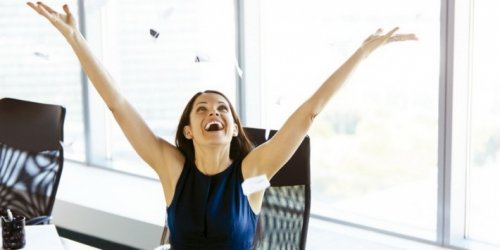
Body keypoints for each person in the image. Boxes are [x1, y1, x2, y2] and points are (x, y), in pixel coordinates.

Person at [27, 2, 417, 249]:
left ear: (233, 128)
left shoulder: (252, 173)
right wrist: (75, 37)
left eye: (222, 109)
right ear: (188, 131)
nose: (213, 112)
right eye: (202, 109)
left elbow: (309, 112)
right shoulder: (172, 168)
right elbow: (117, 104)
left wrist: (363, 53)